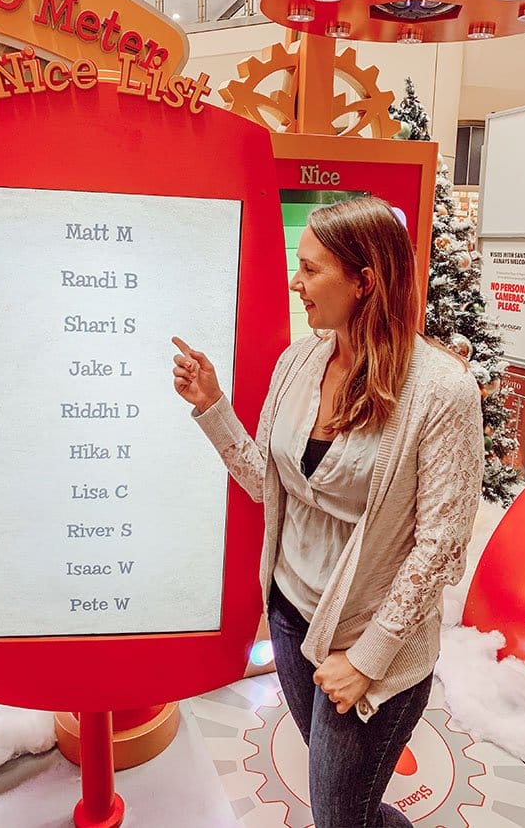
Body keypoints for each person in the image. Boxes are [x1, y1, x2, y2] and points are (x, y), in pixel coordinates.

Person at [171, 196, 484, 828]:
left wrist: (366, 658)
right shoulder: (299, 362)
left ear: (365, 280)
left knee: (339, 814)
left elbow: (441, 548)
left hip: (369, 644)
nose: (296, 282)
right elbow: (270, 484)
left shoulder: (441, 391)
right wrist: (212, 407)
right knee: (348, 799)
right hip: (290, 616)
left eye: (311, 269)